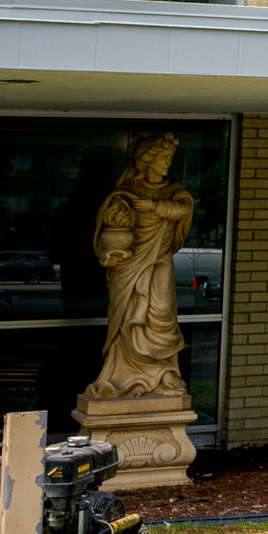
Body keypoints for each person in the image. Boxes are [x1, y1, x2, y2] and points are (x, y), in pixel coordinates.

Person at [85, 134, 194, 399]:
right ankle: (121, 377)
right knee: (129, 316)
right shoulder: (127, 193)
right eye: (163, 160)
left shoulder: (173, 191)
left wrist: (153, 206)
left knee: (161, 314)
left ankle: (164, 374)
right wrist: (112, 249)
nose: (168, 164)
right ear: (147, 161)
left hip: (160, 262)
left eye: (169, 159)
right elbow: (111, 226)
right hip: (130, 268)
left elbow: (184, 209)